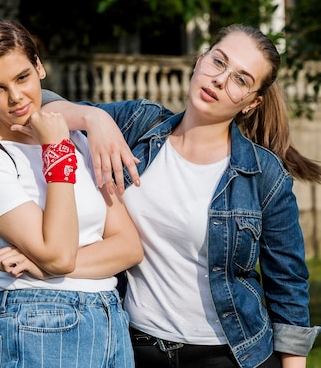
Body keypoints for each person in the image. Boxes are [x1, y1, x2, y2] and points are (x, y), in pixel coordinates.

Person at [41, 24, 321, 368]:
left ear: (252, 103)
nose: (220, 79)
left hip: (230, 355)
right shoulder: (137, 125)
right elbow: (35, 107)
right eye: (218, 62)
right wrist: (92, 117)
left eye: (241, 80)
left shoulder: (264, 175)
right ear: (200, 59)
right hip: (134, 346)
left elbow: (288, 288)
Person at [0, 19, 143, 368]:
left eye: (22, 77)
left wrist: (45, 267)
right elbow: (58, 254)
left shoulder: (81, 142)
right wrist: (55, 149)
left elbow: (128, 247)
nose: (15, 97)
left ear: (39, 67)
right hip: (39, 319)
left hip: (109, 316)